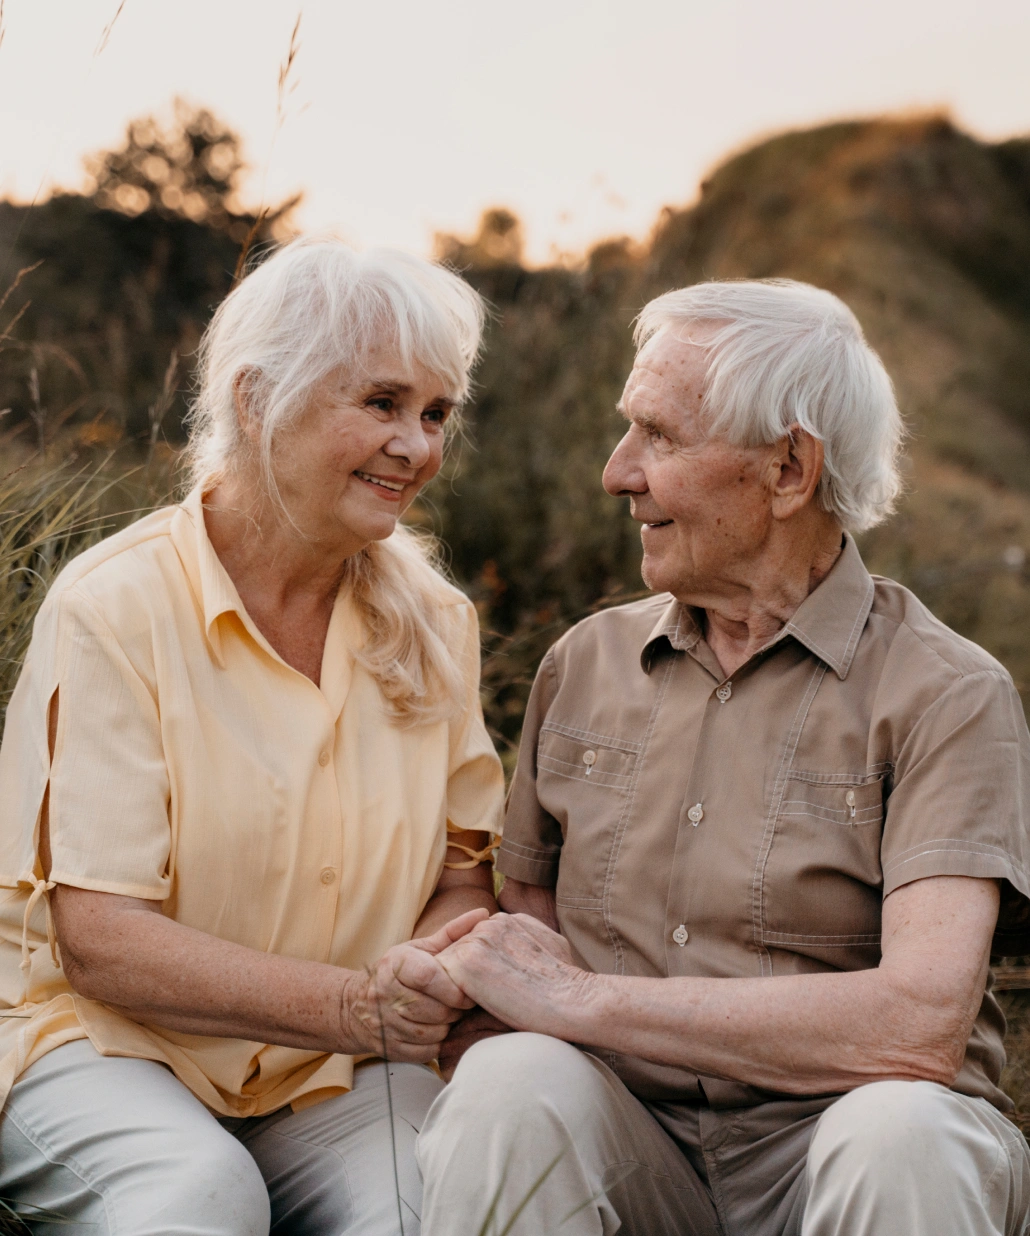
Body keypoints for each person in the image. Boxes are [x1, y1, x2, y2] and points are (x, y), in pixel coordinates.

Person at [421, 279, 1030, 1236]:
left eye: (658, 437)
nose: (618, 472)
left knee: (905, 1132)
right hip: (633, 1142)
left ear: (789, 469)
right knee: (511, 1082)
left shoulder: (950, 695)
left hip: (839, 1143)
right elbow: (525, 950)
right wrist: (465, 982)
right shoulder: (581, 665)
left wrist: (580, 1000)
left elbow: (918, 1026)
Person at [0, 238, 504, 1234]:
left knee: (431, 1206)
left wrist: (415, 975)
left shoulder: (438, 624)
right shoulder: (117, 607)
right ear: (255, 400)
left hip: (330, 1074)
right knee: (198, 1194)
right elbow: (103, 945)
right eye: (381, 403)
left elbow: (461, 871)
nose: (416, 446)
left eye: (435, 413)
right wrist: (359, 1006)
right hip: (104, 1043)